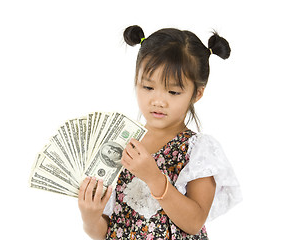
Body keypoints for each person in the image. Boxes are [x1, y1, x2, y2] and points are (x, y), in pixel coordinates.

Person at [78, 25, 242, 240]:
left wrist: (154, 177)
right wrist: (90, 218)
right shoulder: (121, 143)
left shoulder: (197, 149)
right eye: (147, 87)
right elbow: (109, 230)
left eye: (173, 91)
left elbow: (194, 222)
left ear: (197, 93)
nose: (158, 101)